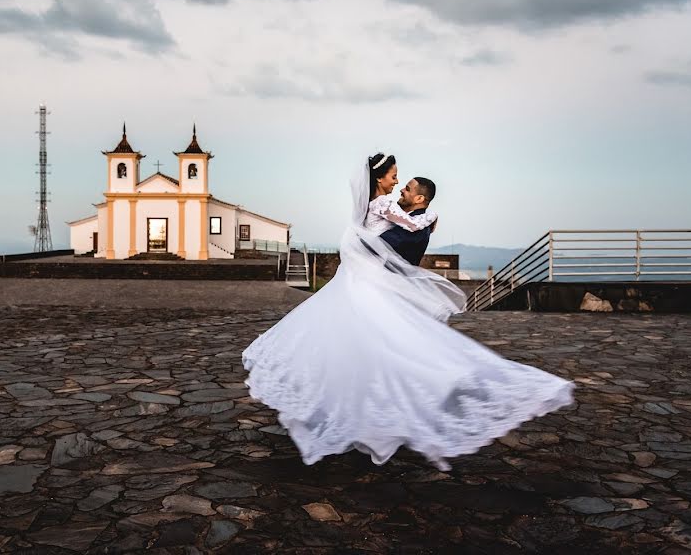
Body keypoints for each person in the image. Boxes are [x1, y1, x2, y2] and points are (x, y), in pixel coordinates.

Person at [242, 153, 574, 471]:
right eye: (395, 177)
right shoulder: (385, 206)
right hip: (364, 283)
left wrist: (423, 221)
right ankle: (378, 407)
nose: (399, 183)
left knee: (365, 343)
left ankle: (365, 410)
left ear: (418, 198)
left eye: (404, 182)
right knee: (376, 343)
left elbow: (392, 243)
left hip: (361, 283)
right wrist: (428, 219)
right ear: (380, 179)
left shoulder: (376, 207)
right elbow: (404, 233)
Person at [379, 177, 438, 266]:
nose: (401, 190)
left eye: (407, 189)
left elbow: (378, 242)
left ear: (419, 199)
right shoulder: (411, 221)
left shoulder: (416, 227)